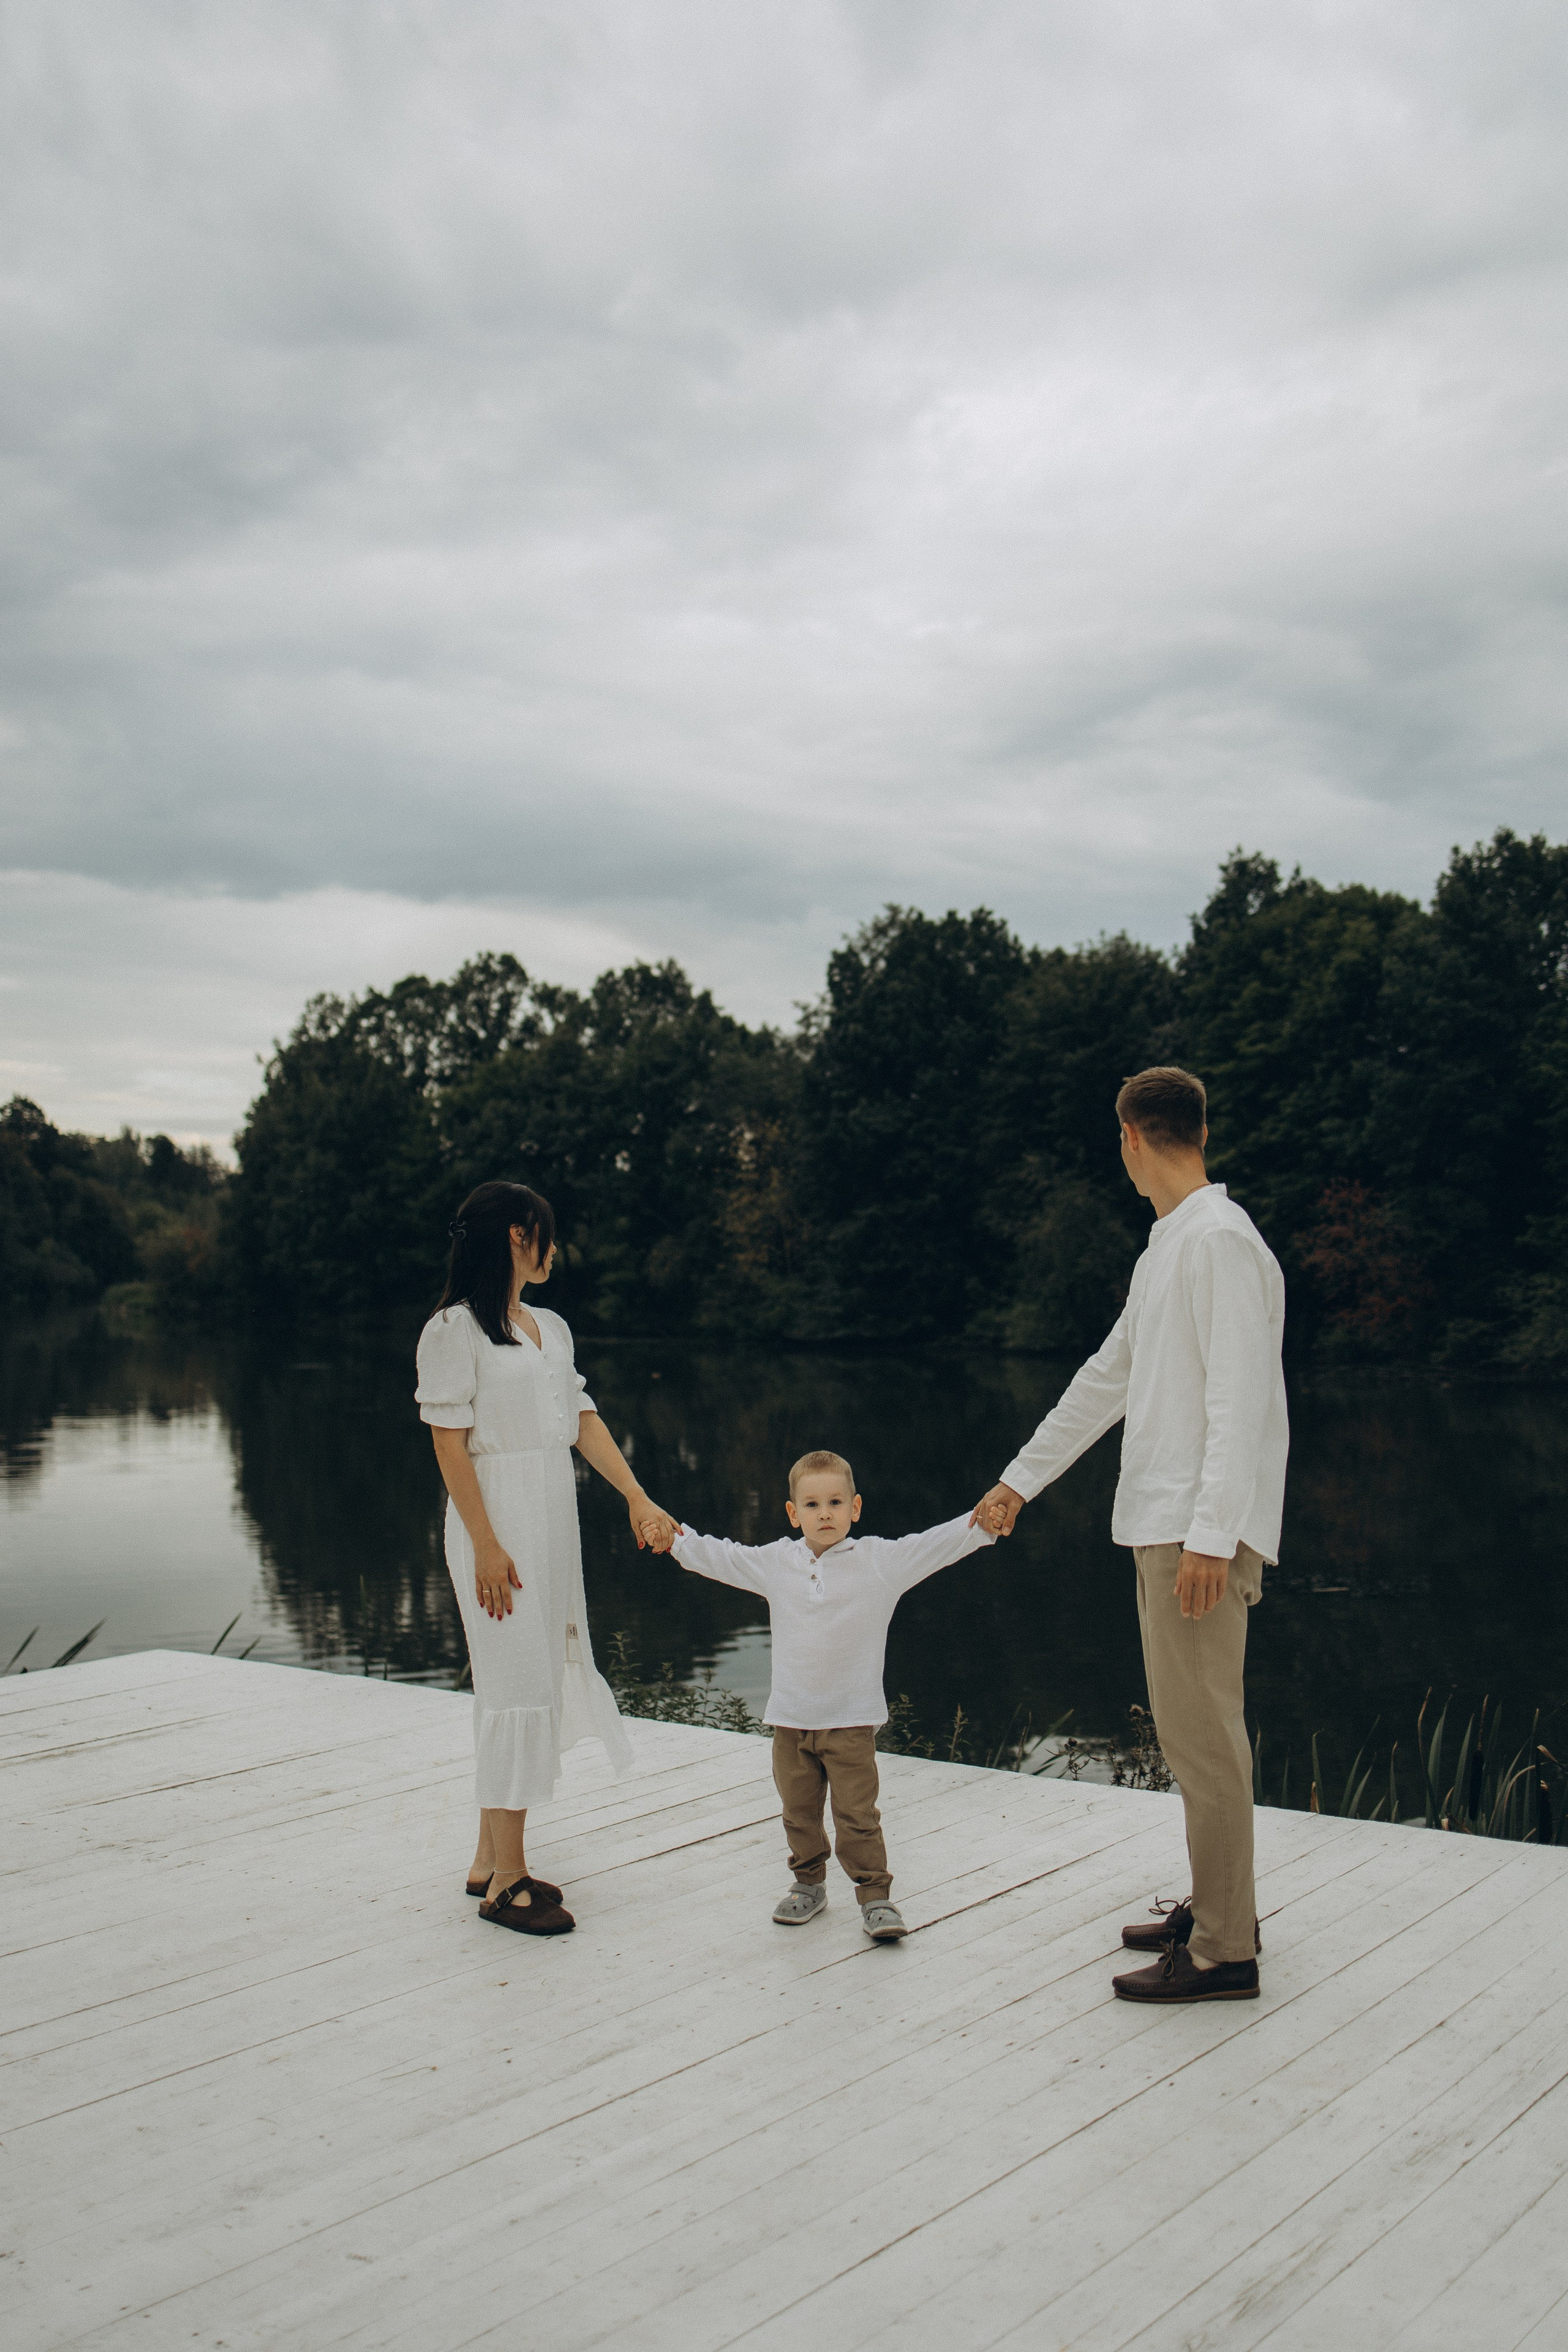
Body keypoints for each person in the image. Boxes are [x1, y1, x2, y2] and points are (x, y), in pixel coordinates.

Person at [972, 1066, 1287, 2004]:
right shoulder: (1172, 1250)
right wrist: (1017, 1481)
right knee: (1195, 1740)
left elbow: (1239, 1403)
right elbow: (1105, 1378)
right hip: (1169, 1526)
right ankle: (1220, 1902)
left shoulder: (1220, 1243)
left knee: (1204, 1743)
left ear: (1131, 1139)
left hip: (1195, 1535)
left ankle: (1228, 1951)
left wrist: (1210, 1536)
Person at [416, 1180, 678, 1937]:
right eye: (545, 1235)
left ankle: (483, 1858)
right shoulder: (452, 1332)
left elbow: (582, 1420)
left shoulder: (549, 1329)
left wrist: (636, 1495)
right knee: (515, 1682)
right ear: (515, 1238)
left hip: (550, 1514)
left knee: (523, 1678)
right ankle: (507, 1881)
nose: (553, 1251)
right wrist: (486, 1542)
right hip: (494, 1518)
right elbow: (447, 1440)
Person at [652, 1450, 1002, 1940]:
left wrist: (981, 1522)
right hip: (791, 1721)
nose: (825, 1514)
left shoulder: (880, 1562)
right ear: (793, 1514)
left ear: (855, 1508)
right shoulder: (777, 1563)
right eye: (813, 1505)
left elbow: (936, 1544)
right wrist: (673, 1537)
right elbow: (723, 1556)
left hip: (851, 1721)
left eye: (836, 1502)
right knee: (798, 1812)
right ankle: (807, 1886)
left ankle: (875, 1896)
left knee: (858, 1815)